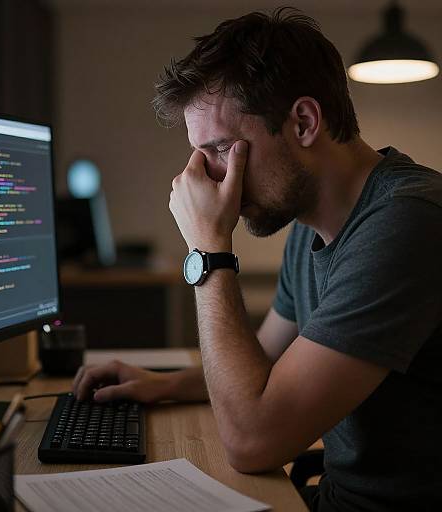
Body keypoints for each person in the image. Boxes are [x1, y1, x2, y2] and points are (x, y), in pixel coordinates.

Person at [73, 8, 442, 512]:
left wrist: (208, 250)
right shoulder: (310, 223)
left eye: (221, 149)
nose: (209, 178)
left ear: (304, 122)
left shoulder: (409, 222)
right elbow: (269, 362)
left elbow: (253, 441)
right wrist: (165, 386)